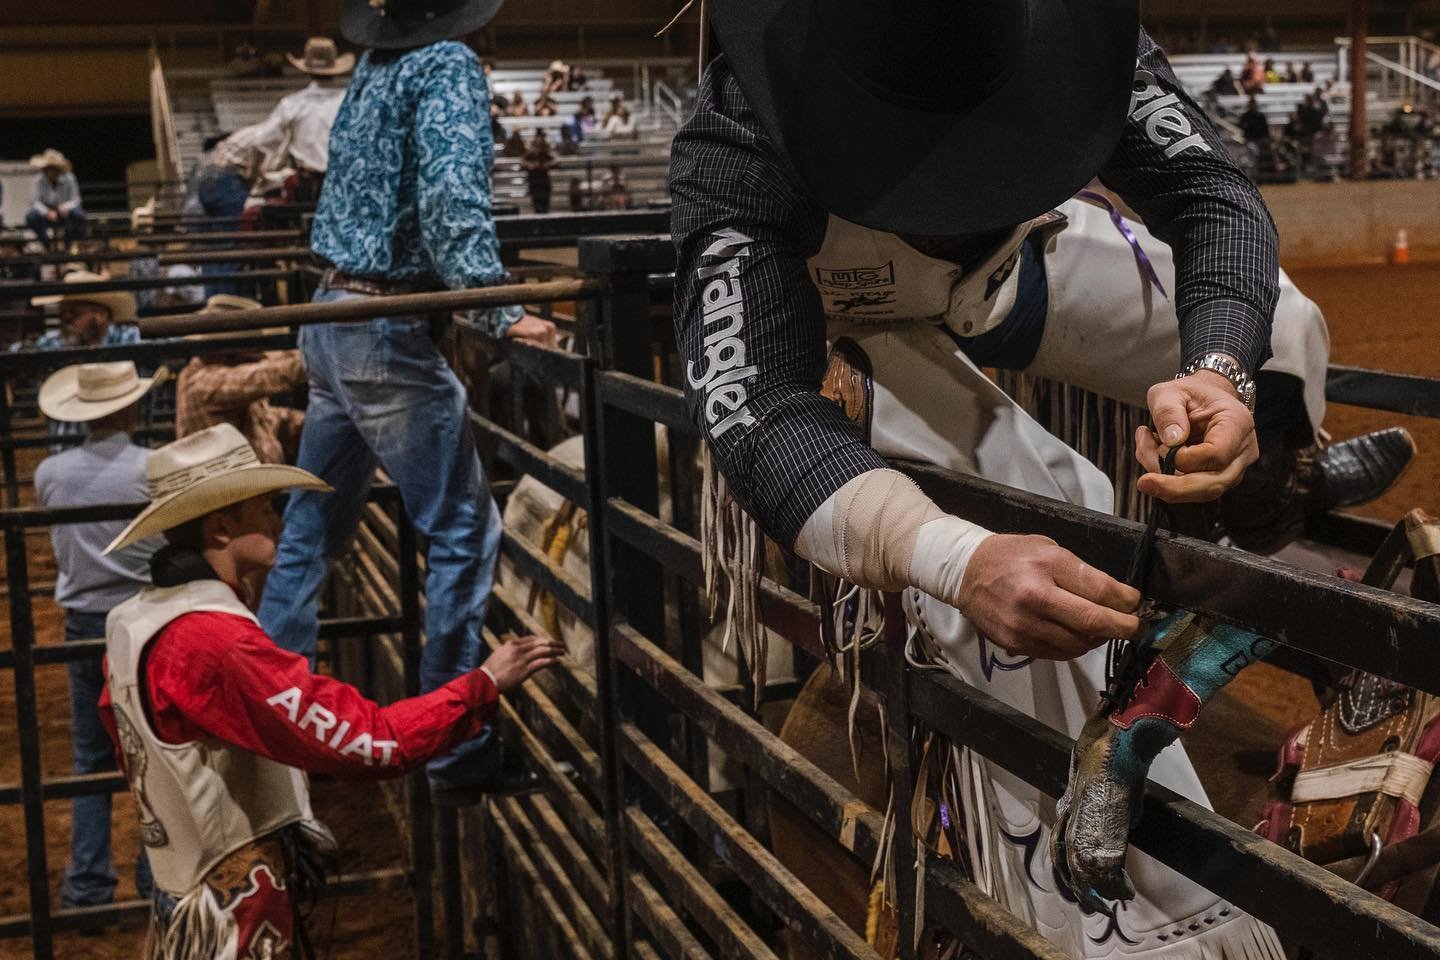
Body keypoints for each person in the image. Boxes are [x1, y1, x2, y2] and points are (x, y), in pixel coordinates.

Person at [671, 8, 1412, 954]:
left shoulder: (1079, 32)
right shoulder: (740, 125)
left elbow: (1212, 190)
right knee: (1041, 550)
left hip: (1006, 268)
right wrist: (949, 556)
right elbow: (758, 405)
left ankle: (1258, 507)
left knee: (1282, 329)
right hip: (853, 308)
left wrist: (1219, 371)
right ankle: (1127, 906)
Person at [100, 423, 562, 958]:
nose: (278, 517)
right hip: (233, 910)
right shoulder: (216, 642)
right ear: (223, 528)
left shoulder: (135, 620)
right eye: (265, 506)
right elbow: (372, 742)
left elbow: (125, 737)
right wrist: (480, 686)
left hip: (184, 885)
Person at [259, 0, 560, 807]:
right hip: (384, 326)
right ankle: (454, 745)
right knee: (463, 530)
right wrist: (501, 310)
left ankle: (262, 718)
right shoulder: (447, 66)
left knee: (310, 530)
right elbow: (452, 200)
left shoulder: (376, 66)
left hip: (330, 312)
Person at [34, 361, 159, 914]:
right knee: (154, 751)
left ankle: (87, 886)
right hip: (140, 619)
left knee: (91, 757)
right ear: (130, 407)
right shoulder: (152, 467)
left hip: (83, 621)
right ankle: (157, 877)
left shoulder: (50, 472)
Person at [176, 295, 307, 465]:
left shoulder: (222, 371)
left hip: (254, 482)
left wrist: (297, 421)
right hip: (231, 487)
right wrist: (317, 356)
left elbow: (263, 417)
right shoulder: (203, 382)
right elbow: (262, 376)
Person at [26, 271, 143, 450]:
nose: (66, 320)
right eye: (63, 314)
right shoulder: (56, 344)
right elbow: (20, 353)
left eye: (74, 314)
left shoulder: (126, 338)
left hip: (116, 450)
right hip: (69, 447)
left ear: (100, 315)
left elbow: (165, 342)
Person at [249, 37, 355, 204]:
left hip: (308, 184)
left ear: (306, 70)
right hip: (344, 181)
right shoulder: (349, 102)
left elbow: (262, 141)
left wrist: (256, 173)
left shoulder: (292, 104)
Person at [26, 149, 85, 248]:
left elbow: (76, 199)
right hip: (46, 212)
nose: (49, 171)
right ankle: (46, 243)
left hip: (65, 212)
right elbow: (34, 201)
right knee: (31, 217)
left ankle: (69, 244)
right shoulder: (38, 180)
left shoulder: (70, 179)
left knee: (79, 216)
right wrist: (47, 212)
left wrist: (65, 207)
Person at [521, 131, 559, 213]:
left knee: (545, 204)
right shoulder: (530, 154)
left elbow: (555, 161)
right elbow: (523, 163)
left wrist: (546, 165)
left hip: (544, 182)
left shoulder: (546, 153)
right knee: (536, 204)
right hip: (534, 182)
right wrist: (531, 165)